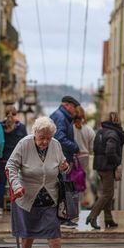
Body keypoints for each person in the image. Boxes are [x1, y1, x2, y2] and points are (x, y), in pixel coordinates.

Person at [6, 116, 73, 248]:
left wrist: (65, 168)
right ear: (34, 133)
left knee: (53, 231)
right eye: (42, 138)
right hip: (27, 194)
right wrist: (16, 186)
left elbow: (63, 166)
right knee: (28, 231)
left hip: (50, 195)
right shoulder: (24, 144)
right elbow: (10, 166)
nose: (45, 141)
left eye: (48, 138)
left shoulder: (56, 145)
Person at [86, 112, 124, 229]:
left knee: (108, 193)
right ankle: (92, 216)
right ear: (117, 121)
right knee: (107, 193)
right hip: (107, 167)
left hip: (100, 166)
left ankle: (108, 218)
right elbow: (110, 151)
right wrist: (116, 161)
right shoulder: (113, 134)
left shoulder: (100, 131)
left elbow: (96, 148)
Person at [50, 96, 80, 229]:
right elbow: (60, 137)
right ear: (67, 105)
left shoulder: (60, 116)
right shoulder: (60, 117)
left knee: (61, 188)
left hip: (61, 157)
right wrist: (74, 147)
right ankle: (62, 219)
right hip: (60, 158)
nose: (75, 110)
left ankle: (62, 217)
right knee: (61, 189)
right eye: (74, 107)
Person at [0, 106, 27, 215]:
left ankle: (0, 208)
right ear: (15, 114)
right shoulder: (21, 127)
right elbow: (25, 144)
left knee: (1, 184)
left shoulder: (0, 126)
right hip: (16, 161)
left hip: (2, 160)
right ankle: (17, 207)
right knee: (16, 184)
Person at [73, 106, 95, 207]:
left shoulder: (70, 128)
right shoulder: (89, 130)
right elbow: (92, 148)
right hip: (85, 157)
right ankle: (79, 205)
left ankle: (72, 206)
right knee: (81, 181)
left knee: (71, 182)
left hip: (73, 157)